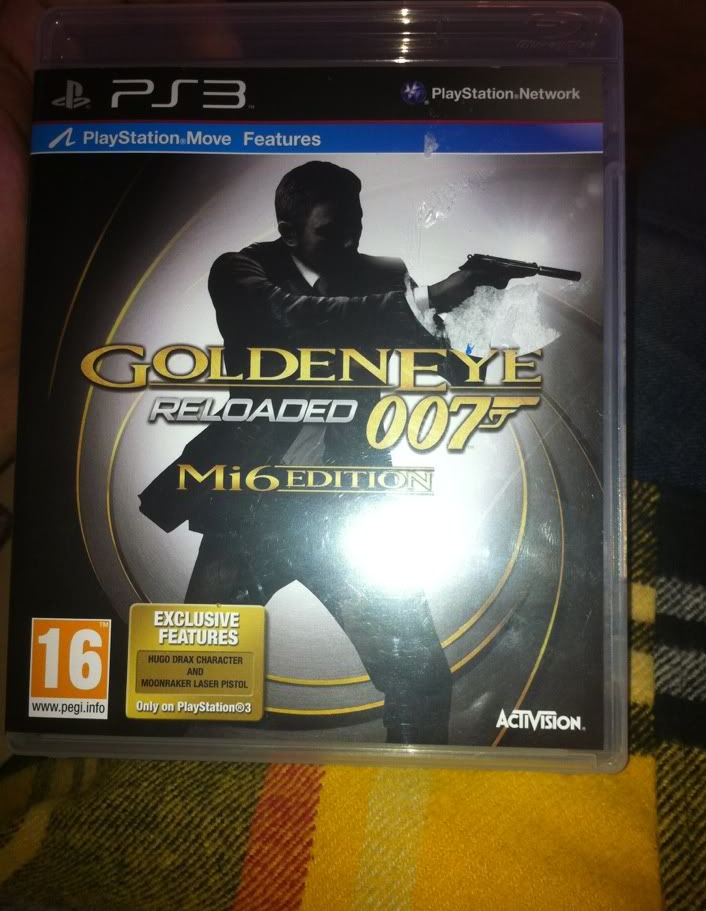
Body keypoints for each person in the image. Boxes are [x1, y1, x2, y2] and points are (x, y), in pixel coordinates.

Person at [140, 160, 513, 744]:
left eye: (355, 228)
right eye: (330, 231)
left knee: (419, 680)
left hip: (346, 511)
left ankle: (412, 793)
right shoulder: (240, 271)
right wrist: (428, 297)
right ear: (289, 231)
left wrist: (474, 309)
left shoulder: (385, 276)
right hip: (250, 510)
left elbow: (458, 370)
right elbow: (293, 322)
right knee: (183, 681)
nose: (347, 242)